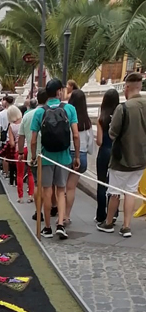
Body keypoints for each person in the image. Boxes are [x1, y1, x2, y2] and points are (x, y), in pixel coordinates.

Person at [97, 72, 146, 237]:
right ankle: (126, 226)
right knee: (131, 191)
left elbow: (112, 133)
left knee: (114, 192)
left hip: (121, 158)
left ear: (127, 87)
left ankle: (108, 222)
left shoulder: (123, 108)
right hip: (141, 158)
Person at [31, 78, 80, 240]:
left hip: (46, 157)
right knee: (61, 190)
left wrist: (33, 157)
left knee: (47, 192)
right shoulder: (70, 109)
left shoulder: (39, 112)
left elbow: (33, 140)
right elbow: (76, 135)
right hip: (64, 156)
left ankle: (47, 227)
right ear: (59, 91)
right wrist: (76, 156)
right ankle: (60, 224)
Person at [65, 89, 93, 224]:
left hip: (66, 153)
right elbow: (90, 144)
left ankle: (59, 212)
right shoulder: (87, 122)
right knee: (71, 188)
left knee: (61, 186)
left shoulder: (67, 118)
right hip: (81, 155)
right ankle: (66, 215)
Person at [19, 91, 47, 220]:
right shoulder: (52, 112)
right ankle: (53, 210)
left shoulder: (27, 115)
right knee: (52, 185)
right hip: (50, 155)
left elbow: (22, 137)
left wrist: (21, 153)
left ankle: (39, 211)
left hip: (34, 155)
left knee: (37, 184)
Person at [95, 89, 120, 224]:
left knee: (102, 183)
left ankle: (101, 214)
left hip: (104, 151)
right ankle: (114, 213)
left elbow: (99, 141)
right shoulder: (120, 117)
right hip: (116, 152)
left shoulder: (101, 119)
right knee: (114, 184)